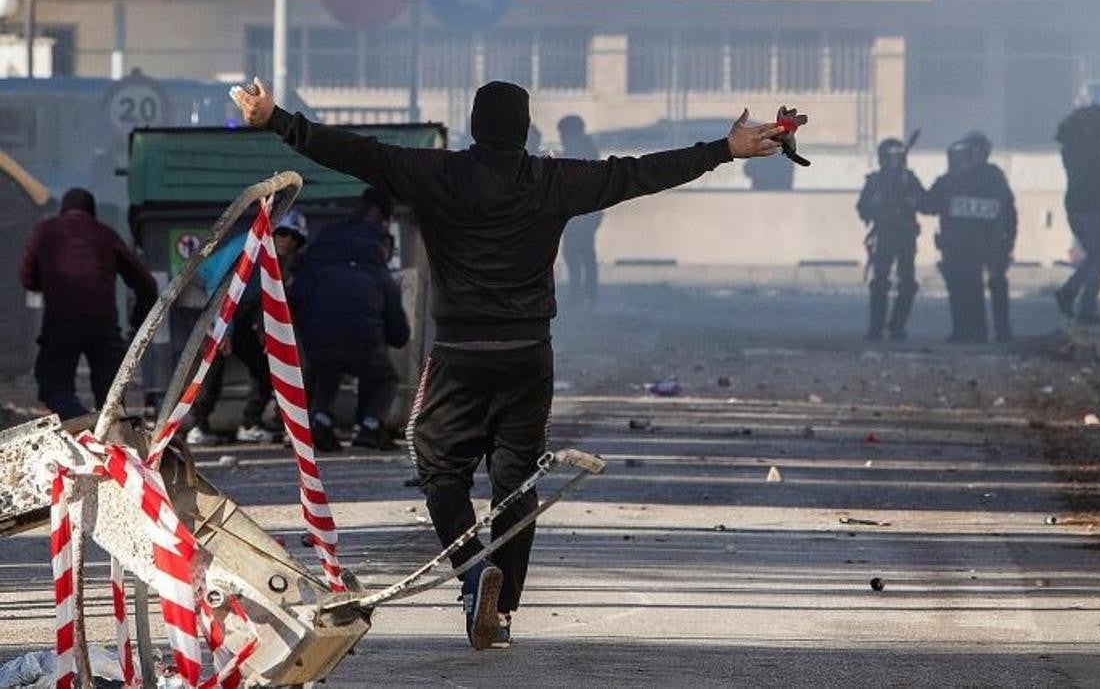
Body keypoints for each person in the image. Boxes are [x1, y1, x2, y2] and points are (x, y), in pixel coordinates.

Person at [233, 77, 783, 651]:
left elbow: (352, 151)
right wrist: (724, 149)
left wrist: (276, 118)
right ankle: (504, 608)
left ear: (474, 125)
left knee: (439, 467)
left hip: (460, 354)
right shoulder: (554, 180)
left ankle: (474, 577)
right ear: (524, 129)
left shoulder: (436, 173)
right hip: (528, 355)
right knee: (515, 484)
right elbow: (636, 174)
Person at [18, 188, 158, 418]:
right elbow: (146, 284)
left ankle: (78, 421)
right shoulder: (105, 234)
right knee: (111, 396)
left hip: (60, 321)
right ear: (92, 211)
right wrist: (137, 322)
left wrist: (49, 285)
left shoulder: (45, 231)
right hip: (102, 324)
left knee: (55, 389)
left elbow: (27, 277)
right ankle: (111, 437)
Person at [292, 188, 409, 452]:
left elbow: (298, 291)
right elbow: (398, 332)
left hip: (317, 335)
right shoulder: (377, 263)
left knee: (325, 367)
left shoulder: (326, 241)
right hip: (363, 338)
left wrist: (305, 326)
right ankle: (369, 426)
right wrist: (394, 334)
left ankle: (320, 421)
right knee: (383, 375)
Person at [186, 209, 308, 445]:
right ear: (271, 232)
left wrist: (266, 333)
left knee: (264, 366)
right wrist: (224, 330)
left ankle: (250, 423)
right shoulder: (249, 245)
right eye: (283, 234)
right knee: (212, 361)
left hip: (238, 314)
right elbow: (218, 287)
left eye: (295, 238)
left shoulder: (278, 262)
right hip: (208, 305)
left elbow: (265, 300)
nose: (288, 241)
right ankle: (196, 427)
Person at [921, 132, 1018, 343]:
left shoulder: (993, 177)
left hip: (988, 242)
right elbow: (928, 205)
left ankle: (1001, 332)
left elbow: (1008, 210)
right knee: (960, 288)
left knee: (996, 285)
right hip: (959, 245)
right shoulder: (951, 180)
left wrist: (1008, 240)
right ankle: (966, 331)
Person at [1055, 105, 1100, 325]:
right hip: (1088, 207)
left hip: (1082, 205)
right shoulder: (1084, 146)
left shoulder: (1073, 144)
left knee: (1096, 256)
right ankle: (1084, 307)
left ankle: (1071, 292)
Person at [856, 138, 925, 341]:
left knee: (907, 284)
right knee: (879, 283)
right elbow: (862, 208)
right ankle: (876, 327)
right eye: (890, 157)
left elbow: (924, 202)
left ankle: (897, 326)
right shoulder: (875, 181)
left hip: (905, 236)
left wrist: (912, 199)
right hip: (884, 234)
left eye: (897, 156)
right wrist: (874, 202)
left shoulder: (909, 179)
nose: (894, 161)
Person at [557, 115, 604, 308]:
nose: (561, 137)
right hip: (581, 211)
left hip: (582, 211)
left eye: (563, 133)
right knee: (579, 253)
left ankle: (583, 294)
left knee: (579, 253)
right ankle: (584, 293)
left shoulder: (581, 151)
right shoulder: (583, 149)